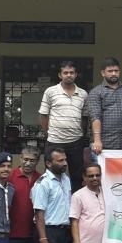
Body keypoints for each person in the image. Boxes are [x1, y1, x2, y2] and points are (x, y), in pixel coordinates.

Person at [39, 60, 89, 191]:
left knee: (77, 176)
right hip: (55, 141)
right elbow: (43, 115)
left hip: (76, 142)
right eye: (65, 72)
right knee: (52, 176)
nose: (69, 75)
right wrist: (48, 133)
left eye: (71, 72)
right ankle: (51, 206)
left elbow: (85, 117)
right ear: (60, 75)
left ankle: (75, 207)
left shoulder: (83, 94)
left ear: (76, 74)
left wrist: (81, 134)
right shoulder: (50, 91)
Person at [87, 56, 122, 157]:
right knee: (101, 173)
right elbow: (95, 117)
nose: (113, 73)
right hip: (102, 146)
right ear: (103, 73)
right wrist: (97, 140)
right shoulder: (96, 92)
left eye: (116, 71)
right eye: (110, 71)